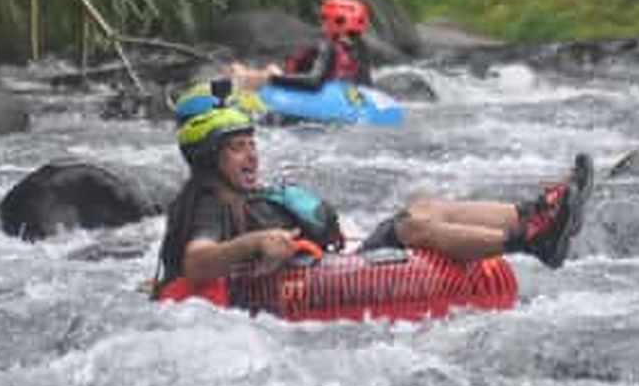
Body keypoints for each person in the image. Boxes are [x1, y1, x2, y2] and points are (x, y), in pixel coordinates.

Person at [155, 97, 594, 290]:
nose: (251, 155)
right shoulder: (209, 203)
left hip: (329, 261)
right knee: (416, 226)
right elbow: (196, 260)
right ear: (209, 158)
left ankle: (535, 214)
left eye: (252, 143)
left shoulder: (233, 192)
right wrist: (255, 243)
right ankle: (529, 242)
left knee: (427, 203)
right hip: (321, 276)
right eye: (237, 148)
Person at [231, 0, 374, 93]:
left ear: (335, 22)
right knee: (273, 68)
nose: (322, 23)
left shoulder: (327, 47)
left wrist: (270, 78)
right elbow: (366, 85)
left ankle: (239, 80)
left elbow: (313, 82)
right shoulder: (360, 48)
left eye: (324, 18)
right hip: (342, 93)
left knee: (268, 70)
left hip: (319, 91)